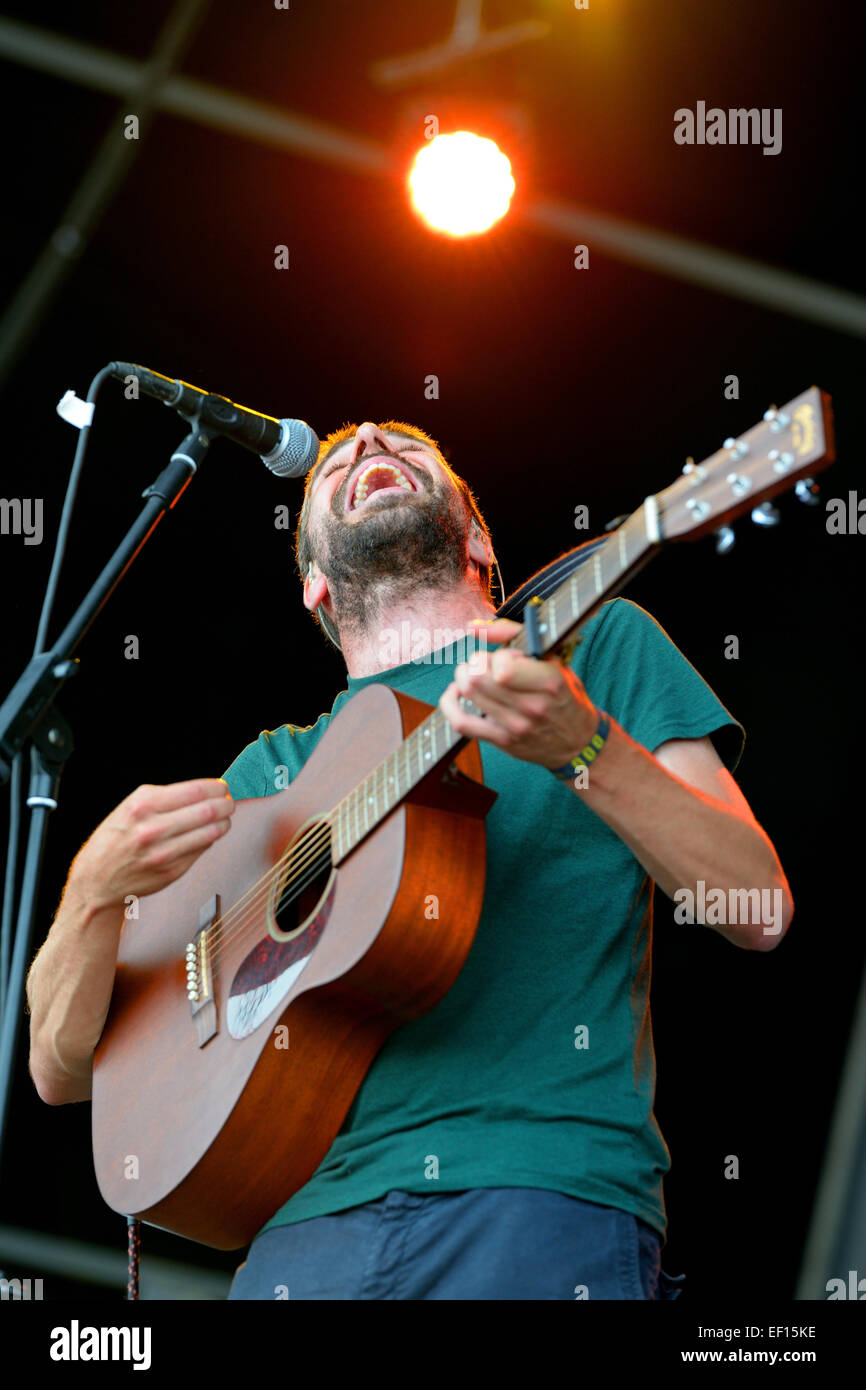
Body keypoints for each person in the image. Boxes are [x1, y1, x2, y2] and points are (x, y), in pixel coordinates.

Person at [26, 419, 793, 1301]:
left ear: (477, 538)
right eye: (340, 460)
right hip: (296, 1243)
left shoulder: (592, 652)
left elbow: (757, 910)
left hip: (534, 1196)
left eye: (406, 446)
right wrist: (91, 891)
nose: (368, 448)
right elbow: (62, 1068)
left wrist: (586, 748)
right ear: (314, 583)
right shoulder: (272, 772)